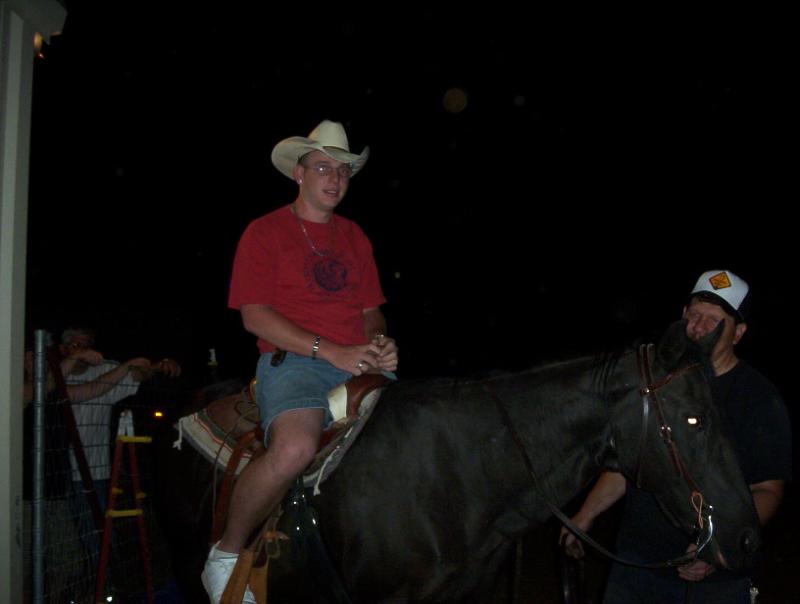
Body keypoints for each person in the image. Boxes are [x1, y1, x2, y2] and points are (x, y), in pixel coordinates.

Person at [201, 119, 399, 603]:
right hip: (295, 363)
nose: (335, 179)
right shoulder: (264, 231)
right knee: (294, 449)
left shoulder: (355, 236)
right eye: (323, 168)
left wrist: (378, 343)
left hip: (359, 364)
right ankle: (225, 555)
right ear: (299, 173)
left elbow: (370, 311)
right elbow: (254, 316)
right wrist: (332, 351)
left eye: (343, 171)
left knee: (414, 438)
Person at [559, 269, 792, 603]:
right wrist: (584, 515)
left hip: (714, 583)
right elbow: (630, 463)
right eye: (694, 315)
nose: (699, 327)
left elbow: (767, 490)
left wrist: (714, 546)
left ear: (738, 333)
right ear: (682, 316)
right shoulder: (658, 381)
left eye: (715, 321)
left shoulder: (757, 398)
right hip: (635, 567)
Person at [59, 326, 181, 578]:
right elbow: (77, 388)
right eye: (76, 345)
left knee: (98, 532)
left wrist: (159, 365)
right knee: (63, 538)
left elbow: (136, 373)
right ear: (63, 348)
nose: (83, 350)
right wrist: (127, 365)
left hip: (94, 469)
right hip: (54, 473)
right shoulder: (53, 373)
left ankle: (106, 581)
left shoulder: (105, 371)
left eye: (87, 344)